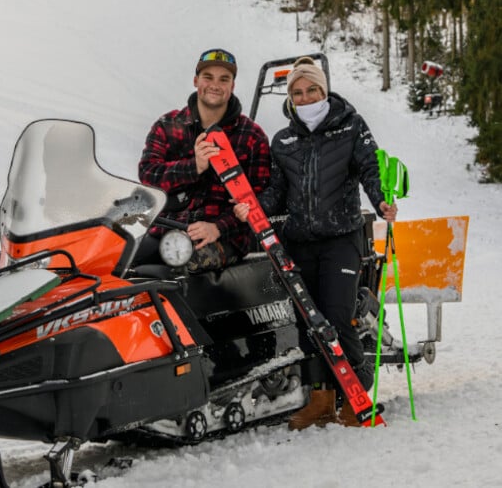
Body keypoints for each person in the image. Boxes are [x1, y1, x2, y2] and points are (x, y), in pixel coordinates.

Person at [234, 56, 398, 430]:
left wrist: (382, 201)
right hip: (300, 242)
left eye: (312, 90)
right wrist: (252, 207)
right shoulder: (284, 140)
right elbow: (276, 192)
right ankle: (321, 401)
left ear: (324, 91)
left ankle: (356, 395)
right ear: (290, 99)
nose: (305, 98)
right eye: (297, 93)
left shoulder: (351, 126)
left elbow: (371, 169)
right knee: (308, 322)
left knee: (337, 318)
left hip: (342, 238)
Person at [136, 48, 271, 272]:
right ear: (196, 81)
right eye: (208, 77)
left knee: (180, 269)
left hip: (223, 237)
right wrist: (194, 167)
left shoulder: (252, 136)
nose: (215, 85)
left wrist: (218, 227)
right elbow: (148, 176)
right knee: (119, 261)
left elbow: (258, 199)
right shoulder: (168, 125)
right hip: (167, 231)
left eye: (224, 79)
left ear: (232, 86)